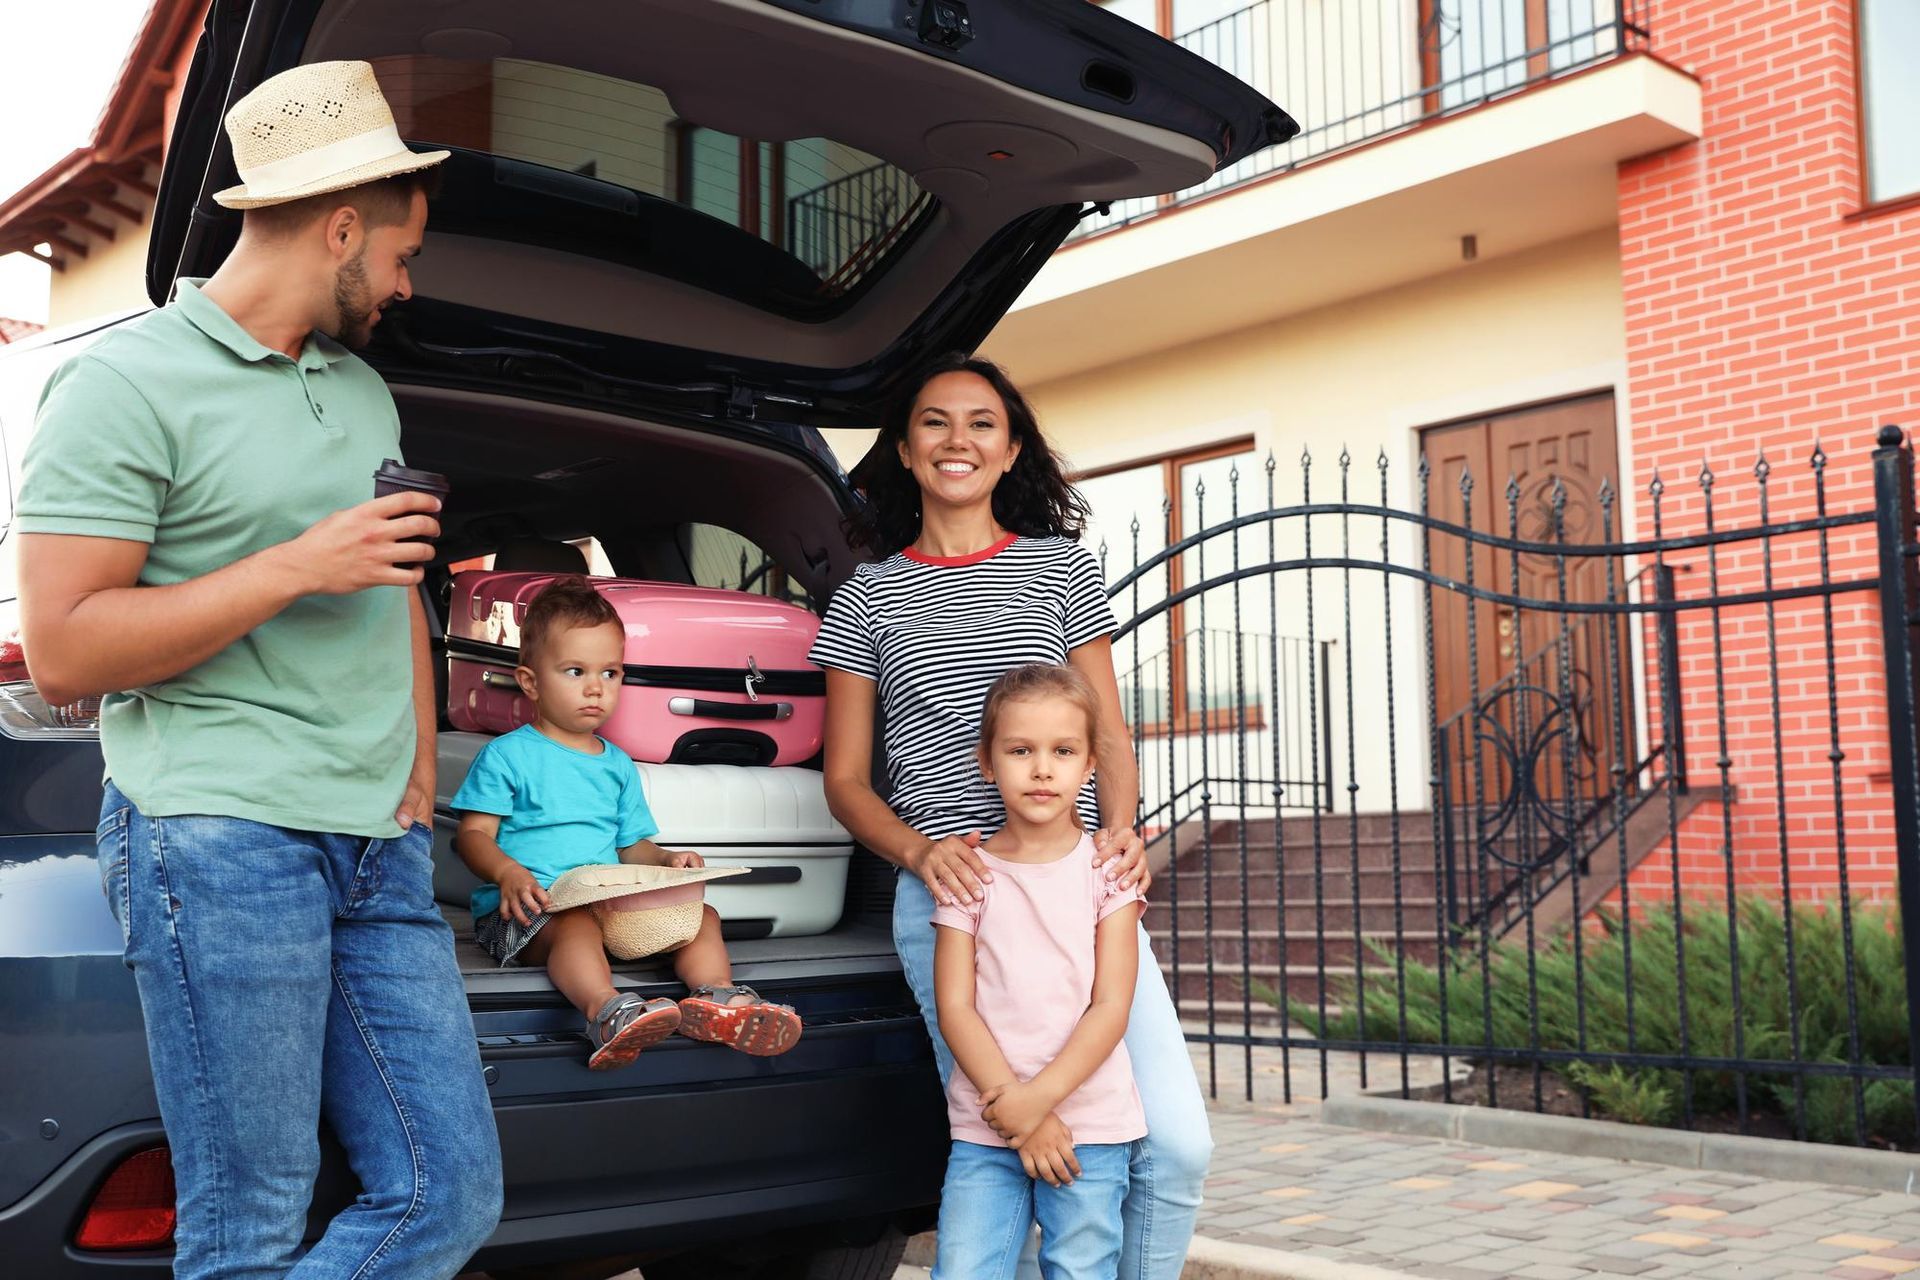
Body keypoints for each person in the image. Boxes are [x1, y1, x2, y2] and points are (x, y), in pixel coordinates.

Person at [15, 61, 501, 1279]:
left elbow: (393, 578)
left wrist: (416, 768)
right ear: (341, 225)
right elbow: (70, 647)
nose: (403, 281)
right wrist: (294, 566)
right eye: (402, 253)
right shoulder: (122, 384)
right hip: (222, 838)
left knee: (449, 1193)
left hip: (377, 848)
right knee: (247, 1226)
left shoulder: (362, 390)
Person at [812, 353, 1212, 1280]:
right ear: (906, 452)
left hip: (1080, 888)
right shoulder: (865, 597)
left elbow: (1108, 730)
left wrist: (1123, 831)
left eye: (982, 422)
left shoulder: (1060, 571)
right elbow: (845, 783)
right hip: (956, 900)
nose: (959, 439)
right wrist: (920, 854)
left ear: (1011, 447)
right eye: (936, 422)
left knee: (1176, 1148)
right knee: (1021, 1142)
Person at [450, 576, 803, 1068]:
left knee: (701, 917)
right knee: (572, 924)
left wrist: (665, 860)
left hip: (607, 906)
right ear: (530, 682)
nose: (596, 687)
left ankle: (718, 1001)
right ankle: (607, 1012)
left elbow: (630, 845)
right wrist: (506, 873)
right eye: (575, 671)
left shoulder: (617, 763)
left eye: (611, 673)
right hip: (528, 913)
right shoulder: (507, 757)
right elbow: (471, 837)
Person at [931, 664, 1146, 1280]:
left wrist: (1040, 1103)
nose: (1043, 768)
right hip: (986, 1126)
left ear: (1089, 766)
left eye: (1064, 751)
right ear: (988, 762)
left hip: (1091, 1127)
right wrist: (1016, 1110)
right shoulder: (968, 874)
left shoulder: (1109, 873)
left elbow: (1110, 1006)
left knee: (1080, 1270)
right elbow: (957, 1008)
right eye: (1021, 750)